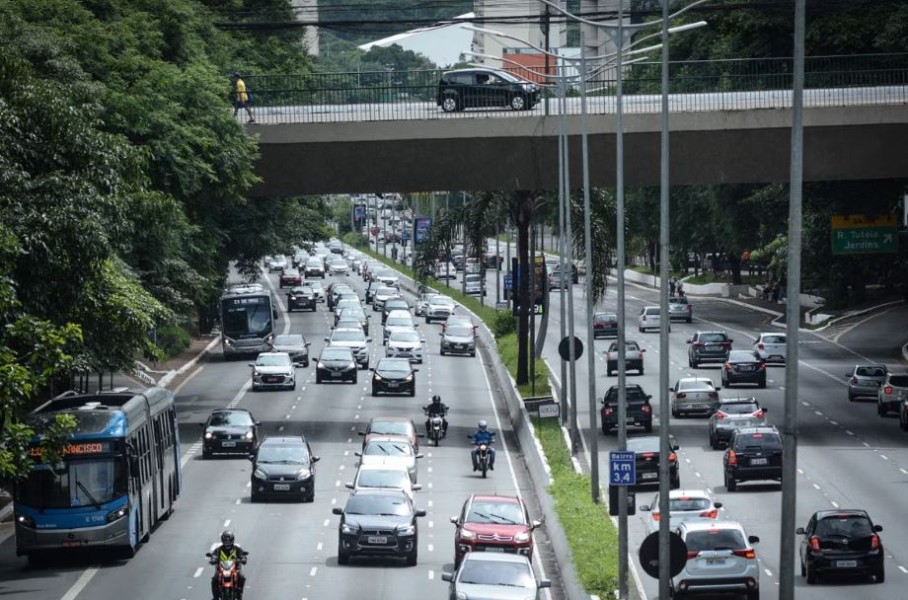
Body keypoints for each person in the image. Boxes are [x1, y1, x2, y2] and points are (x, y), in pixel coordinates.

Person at [210, 530, 246, 600]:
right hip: (221, 569)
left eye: (229, 541)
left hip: (234, 569)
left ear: (232, 540)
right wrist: (213, 559)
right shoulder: (218, 550)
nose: (227, 543)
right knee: (214, 579)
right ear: (222, 541)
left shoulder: (237, 549)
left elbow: (242, 555)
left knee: (241, 577)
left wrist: (243, 559)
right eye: (225, 541)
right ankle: (215, 597)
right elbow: (214, 556)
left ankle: (239, 594)